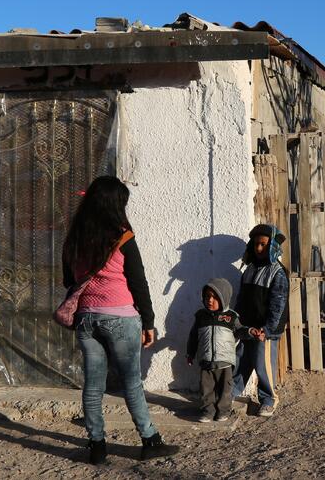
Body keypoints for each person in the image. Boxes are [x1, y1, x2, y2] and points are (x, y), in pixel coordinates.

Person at [61, 176, 178, 464]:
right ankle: (150, 440)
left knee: (93, 385)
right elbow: (138, 281)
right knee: (131, 383)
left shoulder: (74, 238)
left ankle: (97, 446)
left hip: (86, 317)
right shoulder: (123, 236)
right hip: (120, 317)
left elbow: (68, 280)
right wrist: (148, 322)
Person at [231, 223, 289, 417]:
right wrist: (237, 324)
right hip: (248, 328)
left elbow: (278, 305)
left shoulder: (277, 272)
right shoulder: (249, 269)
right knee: (241, 360)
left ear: (272, 246)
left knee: (263, 365)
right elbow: (241, 299)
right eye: (256, 244)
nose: (258, 248)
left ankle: (269, 399)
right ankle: (230, 393)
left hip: (265, 332)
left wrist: (268, 329)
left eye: (263, 244)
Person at [186, 278, 263, 423]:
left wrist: (251, 332)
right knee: (206, 389)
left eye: (215, 297)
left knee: (225, 389)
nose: (210, 300)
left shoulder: (231, 317)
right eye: (207, 296)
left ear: (224, 298)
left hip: (225, 362)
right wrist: (190, 353)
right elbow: (193, 336)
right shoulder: (201, 316)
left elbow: (240, 330)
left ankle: (223, 411)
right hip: (206, 360)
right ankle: (208, 411)